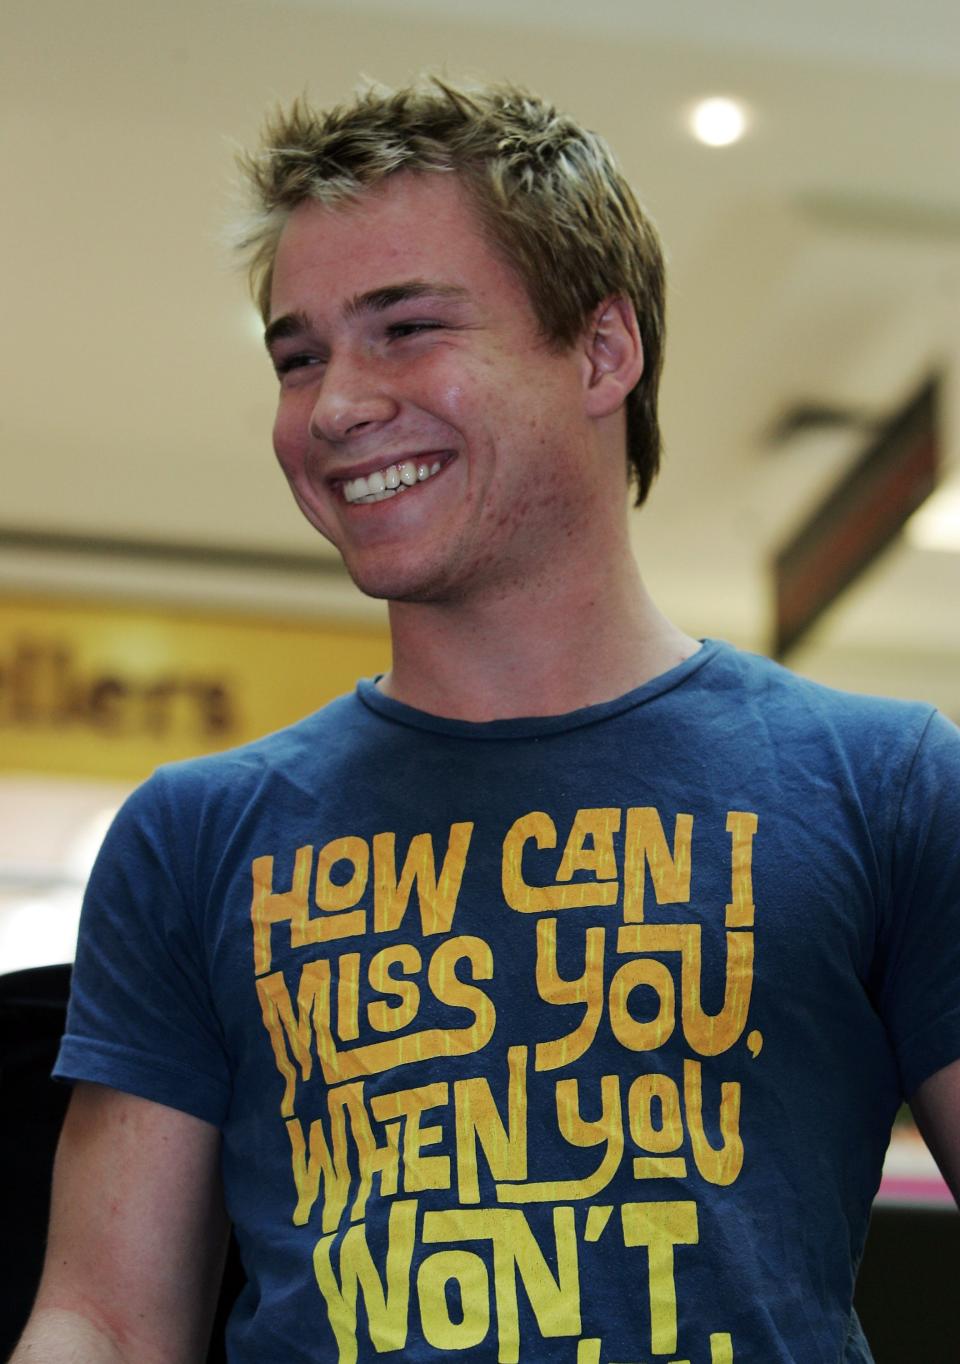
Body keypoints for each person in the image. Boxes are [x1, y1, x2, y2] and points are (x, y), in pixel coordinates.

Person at [12, 78, 960, 1364]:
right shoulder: (195, 834)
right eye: (299, 356)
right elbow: (111, 1322)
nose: (335, 404)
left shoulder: (886, 784)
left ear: (601, 351)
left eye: (404, 328)